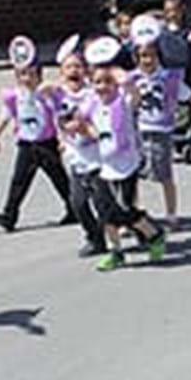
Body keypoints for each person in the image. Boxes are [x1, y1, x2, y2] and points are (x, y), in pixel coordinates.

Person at [70, 37, 168, 271]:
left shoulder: (122, 103)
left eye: (106, 83)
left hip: (126, 166)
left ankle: (154, 234)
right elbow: (82, 121)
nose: (101, 87)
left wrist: (126, 81)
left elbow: (135, 96)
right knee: (105, 211)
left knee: (125, 210)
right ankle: (116, 252)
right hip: (105, 166)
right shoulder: (93, 103)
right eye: (96, 83)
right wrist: (80, 129)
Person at [0, 36, 74, 233]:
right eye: (21, 74)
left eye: (30, 74)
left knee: (59, 178)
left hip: (46, 143)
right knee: (19, 180)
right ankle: (9, 215)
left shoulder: (46, 93)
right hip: (26, 144)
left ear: (38, 74)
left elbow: (58, 116)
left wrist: (62, 138)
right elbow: (6, 115)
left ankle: (74, 208)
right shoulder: (14, 95)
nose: (25, 78)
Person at [129, 17, 191, 229]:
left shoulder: (169, 78)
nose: (148, 60)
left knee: (164, 174)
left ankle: (171, 213)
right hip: (137, 131)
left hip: (161, 130)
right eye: (143, 56)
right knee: (133, 174)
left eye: (152, 56)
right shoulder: (130, 79)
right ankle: (132, 214)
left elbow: (190, 95)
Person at [51, 35, 107, 256]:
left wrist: (88, 129)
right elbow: (58, 121)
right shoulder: (57, 95)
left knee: (105, 205)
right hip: (76, 158)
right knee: (78, 203)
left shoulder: (92, 94)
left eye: (77, 66)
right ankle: (95, 238)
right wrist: (62, 141)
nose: (73, 70)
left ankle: (142, 228)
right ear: (62, 72)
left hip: (97, 158)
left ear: (85, 70)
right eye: (68, 67)